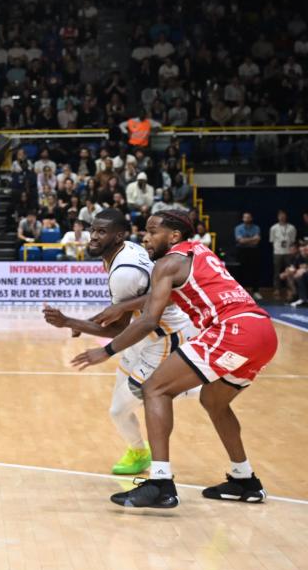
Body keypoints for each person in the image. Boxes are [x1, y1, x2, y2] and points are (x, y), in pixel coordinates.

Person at [72, 210, 278, 508]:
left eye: (153, 231)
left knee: (154, 388)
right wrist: (124, 306)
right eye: (145, 230)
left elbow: (146, 322)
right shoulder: (199, 252)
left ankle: (160, 483)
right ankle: (244, 479)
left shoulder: (166, 264)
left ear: (174, 236)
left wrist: (105, 351)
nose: (146, 236)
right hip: (262, 331)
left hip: (232, 330)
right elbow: (164, 296)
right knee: (213, 402)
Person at [43, 209, 197, 475]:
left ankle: (196, 385)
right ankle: (139, 453)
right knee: (117, 411)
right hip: (141, 336)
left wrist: (70, 321)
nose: (92, 237)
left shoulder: (124, 273)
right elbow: (125, 309)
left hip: (164, 338)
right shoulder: (123, 251)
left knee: (145, 396)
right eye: (93, 230)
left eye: (101, 232)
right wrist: (88, 319)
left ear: (119, 236)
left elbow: (118, 329)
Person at [233, 212, 262, 297]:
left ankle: (256, 291)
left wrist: (245, 240)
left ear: (251, 218)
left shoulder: (256, 228)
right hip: (241, 251)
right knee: (240, 271)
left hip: (253, 251)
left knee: (255, 271)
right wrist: (252, 239)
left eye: (248, 217)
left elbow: (257, 241)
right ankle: (240, 291)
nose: (247, 219)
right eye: (245, 217)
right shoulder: (238, 228)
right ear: (243, 219)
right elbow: (240, 241)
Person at [270, 210, 297, 300]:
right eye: (280, 215)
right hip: (277, 252)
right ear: (278, 217)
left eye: (283, 215)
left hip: (288, 253)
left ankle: (289, 289)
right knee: (276, 272)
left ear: (286, 216)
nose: (282, 217)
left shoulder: (291, 228)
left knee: (289, 272)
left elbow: (293, 241)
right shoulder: (274, 228)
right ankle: (277, 289)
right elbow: (272, 240)